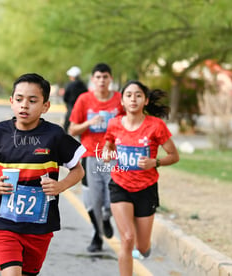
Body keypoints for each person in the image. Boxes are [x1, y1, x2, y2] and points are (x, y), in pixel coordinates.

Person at [0, 73, 85, 276]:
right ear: (11, 102)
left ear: (45, 106)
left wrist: (61, 186)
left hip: (39, 225)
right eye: (19, 99)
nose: (24, 105)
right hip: (4, 221)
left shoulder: (55, 135)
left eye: (32, 101)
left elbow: (78, 170)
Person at [102, 80, 179, 276]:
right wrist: (106, 153)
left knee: (142, 247)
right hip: (120, 185)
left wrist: (156, 162)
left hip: (146, 188)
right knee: (127, 239)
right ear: (122, 101)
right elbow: (108, 145)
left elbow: (174, 155)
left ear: (145, 100)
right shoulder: (114, 124)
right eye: (128, 95)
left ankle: (143, 248)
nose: (133, 99)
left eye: (138, 95)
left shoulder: (156, 126)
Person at [69, 63, 125, 252]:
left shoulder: (119, 100)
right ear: (93, 79)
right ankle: (97, 234)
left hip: (114, 156)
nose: (102, 80)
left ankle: (107, 218)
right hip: (91, 156)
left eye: (105, 77)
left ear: (110, 79)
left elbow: (130, 123)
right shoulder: (84, 99)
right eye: (98, 77)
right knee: (93, 200)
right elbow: (72, 129)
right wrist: (89, 122)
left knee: (112, 199)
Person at [63, 66, 87, 132]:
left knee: (66, 126)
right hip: (81, 108)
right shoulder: (83, 85)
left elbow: (65, 97)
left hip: (71, 107)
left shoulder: (69, 85)